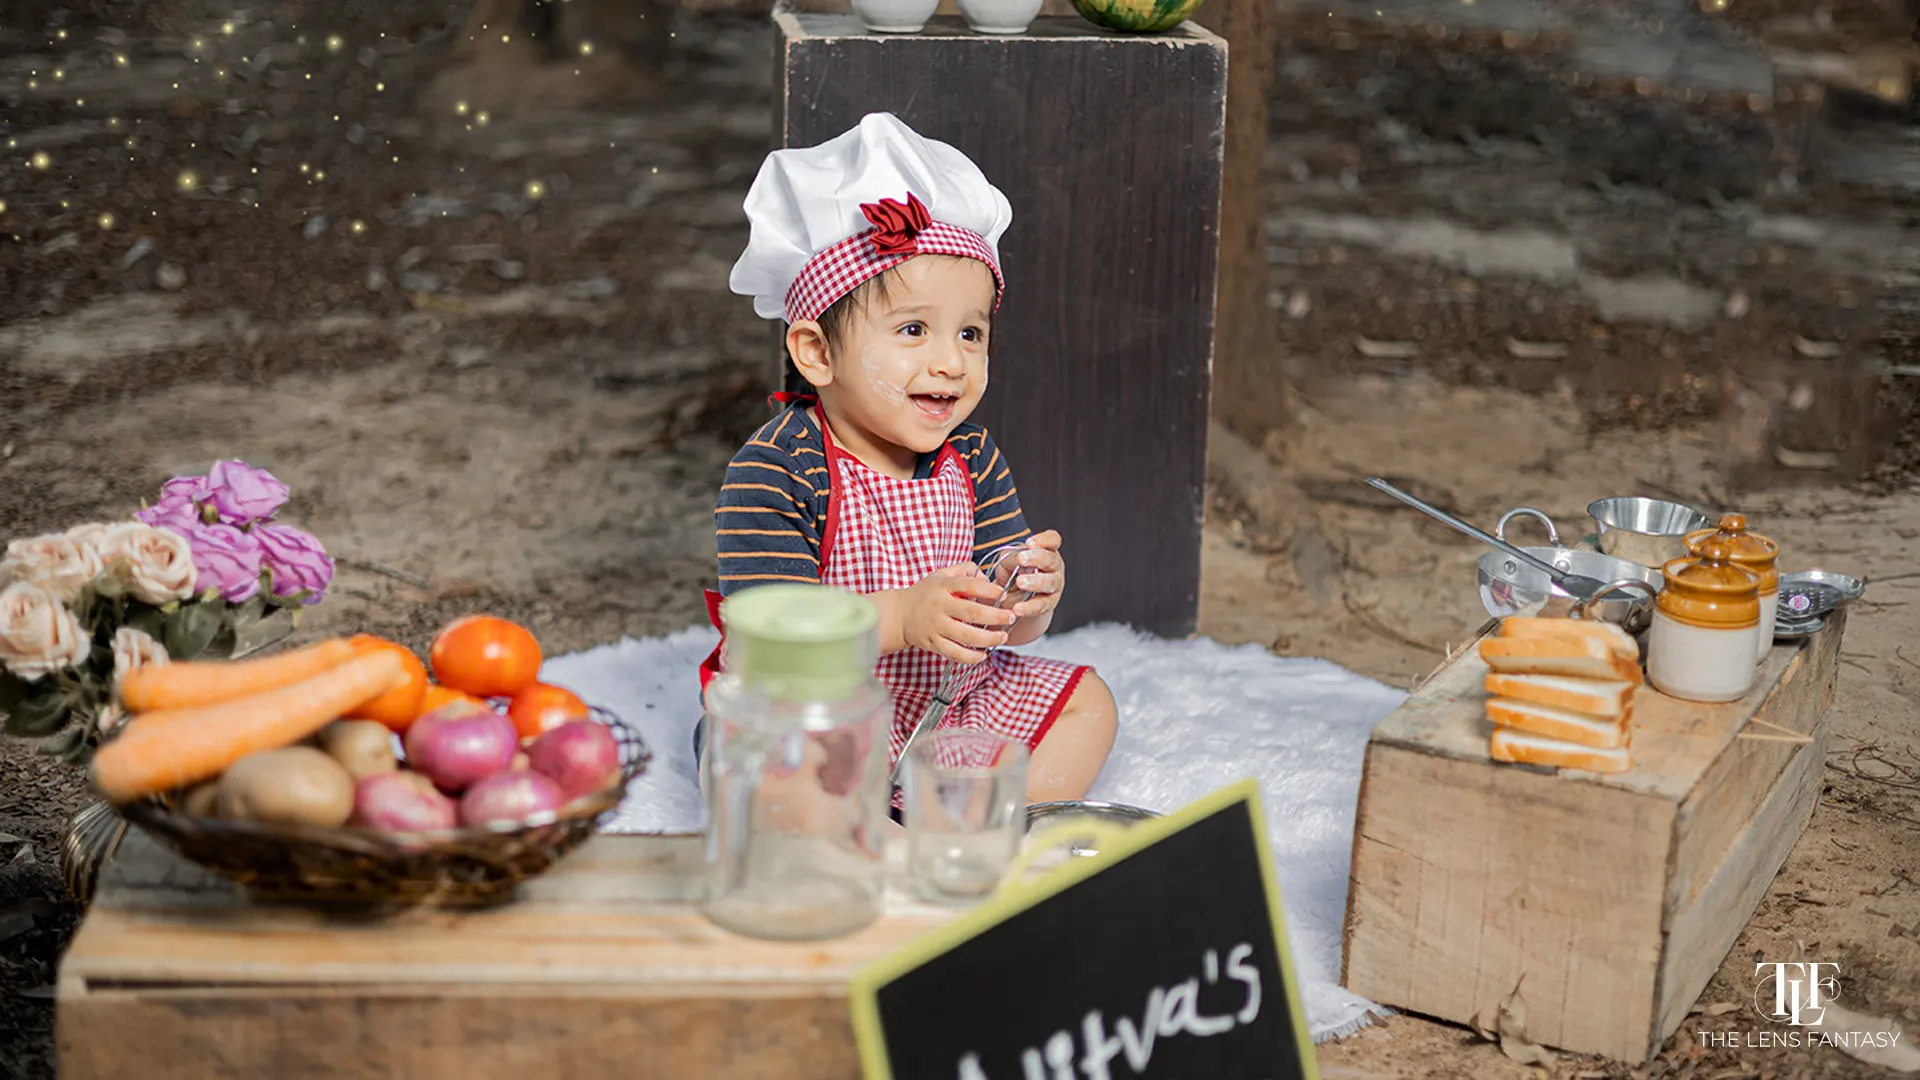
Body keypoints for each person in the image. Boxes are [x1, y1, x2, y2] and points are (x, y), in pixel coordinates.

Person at [694, 112, 1118, 811]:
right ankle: (873, 836)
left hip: (945, 701)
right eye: (914, 329)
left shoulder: (972, 456)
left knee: (1089, 703)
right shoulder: (778, 468)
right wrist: (901, 619)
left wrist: (1026, 597)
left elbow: (1001, 627)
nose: (950, 362)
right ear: (817, 353)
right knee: (762, 765)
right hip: (819, 711)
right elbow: (776, 648)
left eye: (971, 333)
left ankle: (978, 828)